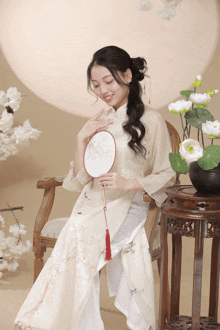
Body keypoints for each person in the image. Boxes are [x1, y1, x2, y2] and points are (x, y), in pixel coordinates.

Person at [14, 45, 175, 330]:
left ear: (127, 75)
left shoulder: (152, 120)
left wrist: (129, 183)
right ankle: (62, 322)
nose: (103, 90)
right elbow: (79, 181)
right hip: (92, 205)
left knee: (78, 237)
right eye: (96, 85)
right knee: (76, 235)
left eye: (108, 82)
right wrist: (81, 138)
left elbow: (167, 173)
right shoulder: (101, 120)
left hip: (130, 205)